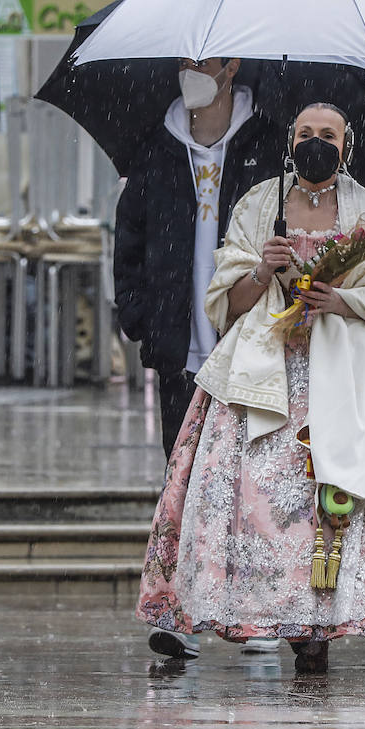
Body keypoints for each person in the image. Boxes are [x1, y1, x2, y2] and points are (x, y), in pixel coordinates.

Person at [137, 102, 365, 674]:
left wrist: (340, 300)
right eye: (304, 133)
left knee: (335, 500)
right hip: (262, 374)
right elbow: (226, 303)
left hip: (347, 371)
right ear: (288, 141)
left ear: (347, 145)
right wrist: (263, 272)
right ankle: (266, 608)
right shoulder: (258, 204)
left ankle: (323, 621)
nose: (314, 143)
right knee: (261, 502)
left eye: (327, 134)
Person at [112, 57, 279, 461]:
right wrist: (141, 317)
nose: (190, 73)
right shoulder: (157, 150)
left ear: (232, 67)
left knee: (242, 477)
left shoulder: (264, 145)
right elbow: (130, 236)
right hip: (177, 347)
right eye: (185, 63)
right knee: (180, 474)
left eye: (202, 64)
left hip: (247, 348)